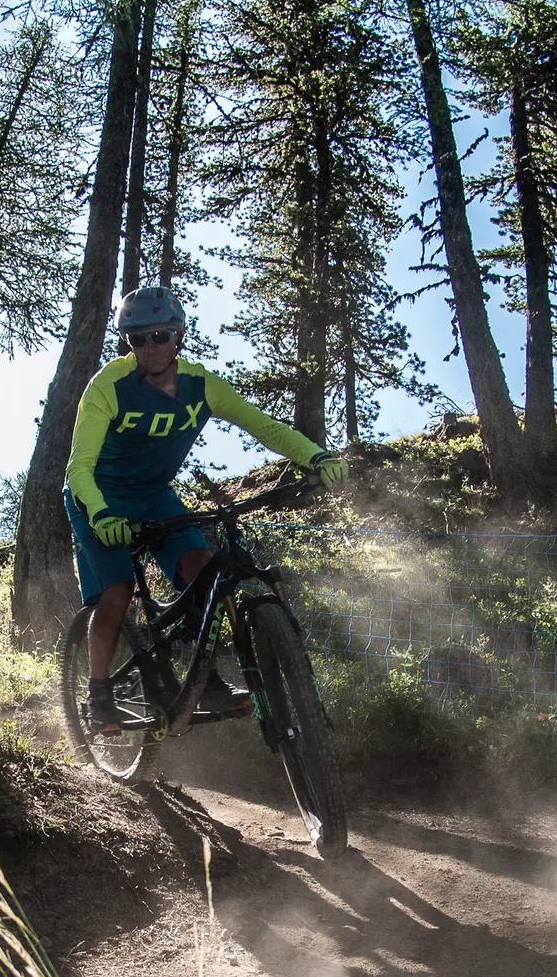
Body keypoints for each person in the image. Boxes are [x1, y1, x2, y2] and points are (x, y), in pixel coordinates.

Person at [64, 285, 349, 732]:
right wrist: (100, 514)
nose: (151, 346)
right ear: (128, 343)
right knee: (118, 591)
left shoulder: (203, 386)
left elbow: (266, 428)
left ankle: (207, 680)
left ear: (179, 335)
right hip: (97, 496)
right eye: (138, 338)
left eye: (161, 335)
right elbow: (79, 466)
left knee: (203, 569)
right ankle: (98, 695)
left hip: (154, 493)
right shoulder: (107, 387)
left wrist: (316, 456)